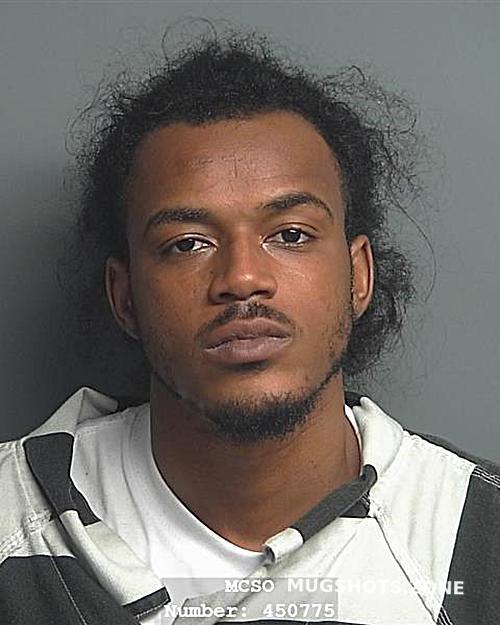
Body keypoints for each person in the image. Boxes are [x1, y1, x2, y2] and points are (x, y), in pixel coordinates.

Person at [0, 32, 498, 625]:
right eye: (187, 244)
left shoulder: (476, 537)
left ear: (358, 276)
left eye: (291, 235)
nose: (242, 278)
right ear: (125, 296)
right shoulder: (11, 522)